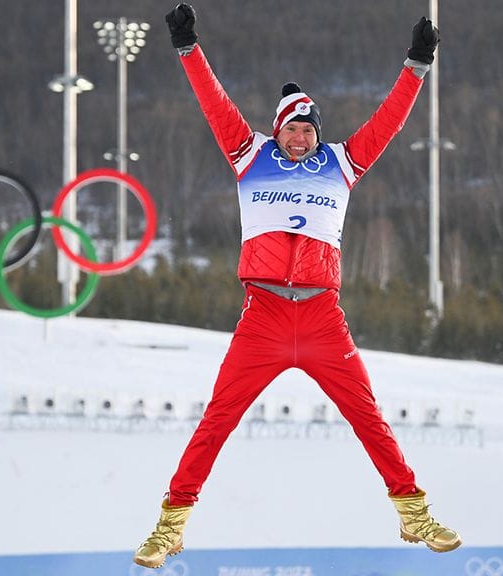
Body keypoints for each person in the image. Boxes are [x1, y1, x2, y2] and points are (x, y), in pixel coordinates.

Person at [134, 4, 460, 569]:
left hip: (320, 318)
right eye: (293, 128)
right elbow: (215, 104)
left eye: (310, 129)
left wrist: (416, 65)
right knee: (217, 420)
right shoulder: (250, 154)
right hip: (261, 316)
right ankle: (170, 525)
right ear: (278, 129)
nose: (302, 138)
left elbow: (387, 121)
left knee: (368, 417)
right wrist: (187, 46)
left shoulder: (342, 163)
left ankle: (414, 514)